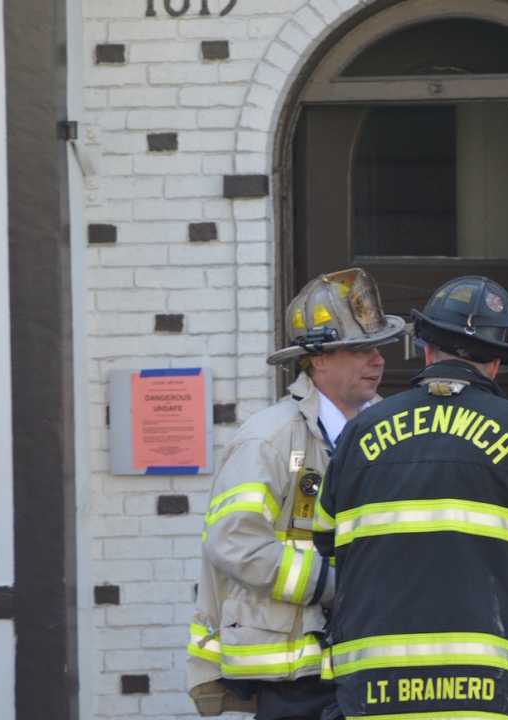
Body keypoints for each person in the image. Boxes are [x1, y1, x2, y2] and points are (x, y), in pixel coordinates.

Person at [313, 275, 508, 720]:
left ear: (426, 348)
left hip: (373, 694)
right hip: (491, 694)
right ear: (497, 362)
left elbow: (325, 536)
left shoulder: (361, 433)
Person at [186, 268, 405, 720]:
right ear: (318, 360)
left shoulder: (394, 431)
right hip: (294, 679)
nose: (378, 361)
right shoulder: (269, 439)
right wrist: (329, 584)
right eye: (360, 349)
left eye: (378, 348)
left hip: (372, 663)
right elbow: (234, 540)